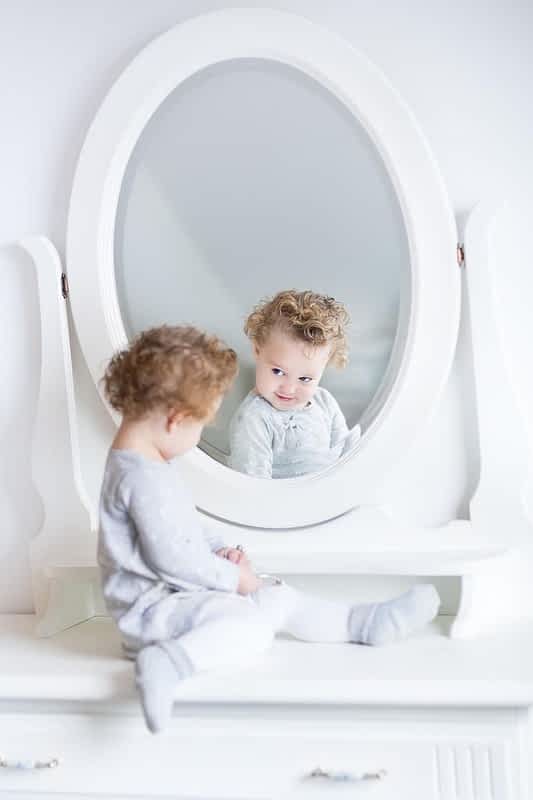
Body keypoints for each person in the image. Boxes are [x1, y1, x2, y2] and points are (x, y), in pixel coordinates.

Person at [98, 324, 440, 734]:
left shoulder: (151, 465)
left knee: (273, 595)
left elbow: (181, 527)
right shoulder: (140, 478)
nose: (198, 436)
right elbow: (170, 557)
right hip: (154, 615)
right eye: (201, 427)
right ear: (175, 421)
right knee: (253, 629)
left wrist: (221, 552)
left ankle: (360, 624)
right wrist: (232, 579)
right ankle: (169, 661)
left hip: (178, 597)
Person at [228, 289, 360, 478]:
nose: (288, 389)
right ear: (257, 350)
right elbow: (253, 483)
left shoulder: (325, 402)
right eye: (278, 372)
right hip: (281, 503)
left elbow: (345, 456)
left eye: (305, 379)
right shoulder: (255, 418)